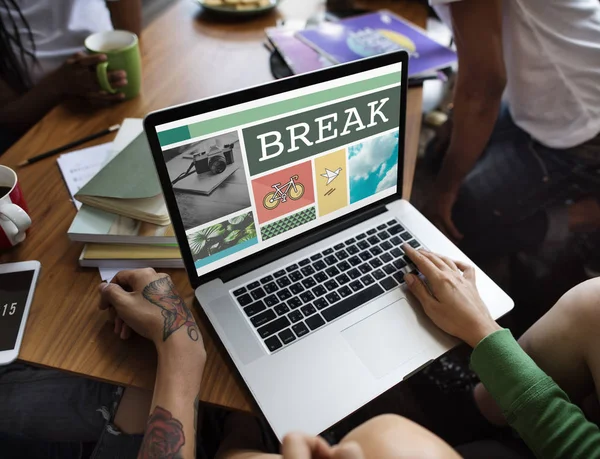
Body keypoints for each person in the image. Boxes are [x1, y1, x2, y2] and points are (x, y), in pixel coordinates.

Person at [424, 0, 600, 263]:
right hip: (548, 95)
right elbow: (476, 47)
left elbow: (483, 89)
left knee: (456, 222)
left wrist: (445, 190)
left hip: (583, 123)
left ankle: (585, 216)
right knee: (436, 159)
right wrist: (455, 117)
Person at [0, 0, 142, 152]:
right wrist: (59, 85)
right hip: (54, 123)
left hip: (121, 102)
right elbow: (7, 118)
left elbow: (133, 36)